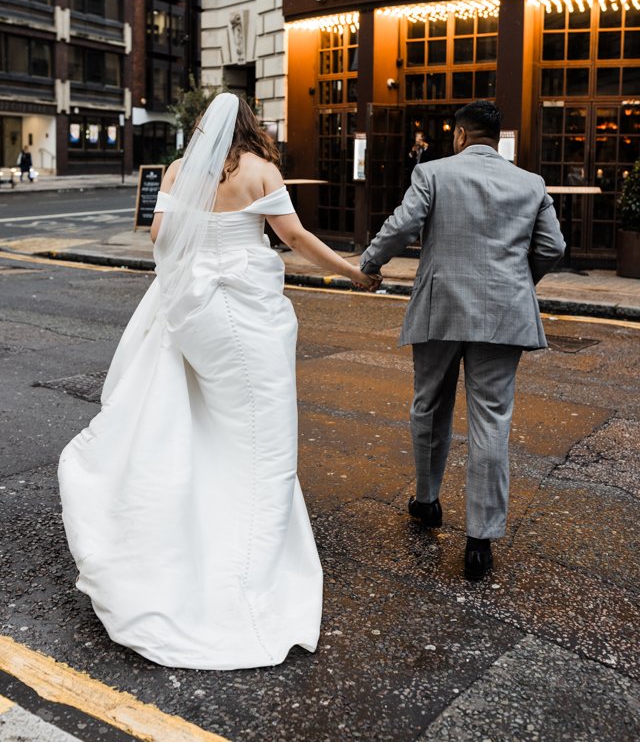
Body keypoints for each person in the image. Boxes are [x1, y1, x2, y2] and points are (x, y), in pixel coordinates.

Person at [59, 94, 379, 669]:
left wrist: (201, 248)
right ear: (250, 126)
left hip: (194, 313)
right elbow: (296, 240)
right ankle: (245, 578)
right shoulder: (261, 172)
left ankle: (185, 539)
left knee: (207, 422)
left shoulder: (179, 172)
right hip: (244, 318)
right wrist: (354, 272)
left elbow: (159, 236)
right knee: (263, 435)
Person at [360, 101, 565, 581]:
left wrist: (370, 263)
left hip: (441, 307)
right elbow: (553, 247)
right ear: (497, 139)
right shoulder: (530, 183)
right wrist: (517, 284)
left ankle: (427, 502)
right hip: (504, 315)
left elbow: (402, 225)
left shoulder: (433, 173)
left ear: (458, 135)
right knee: (491, 419)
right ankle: (480, 541)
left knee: (429, 406)